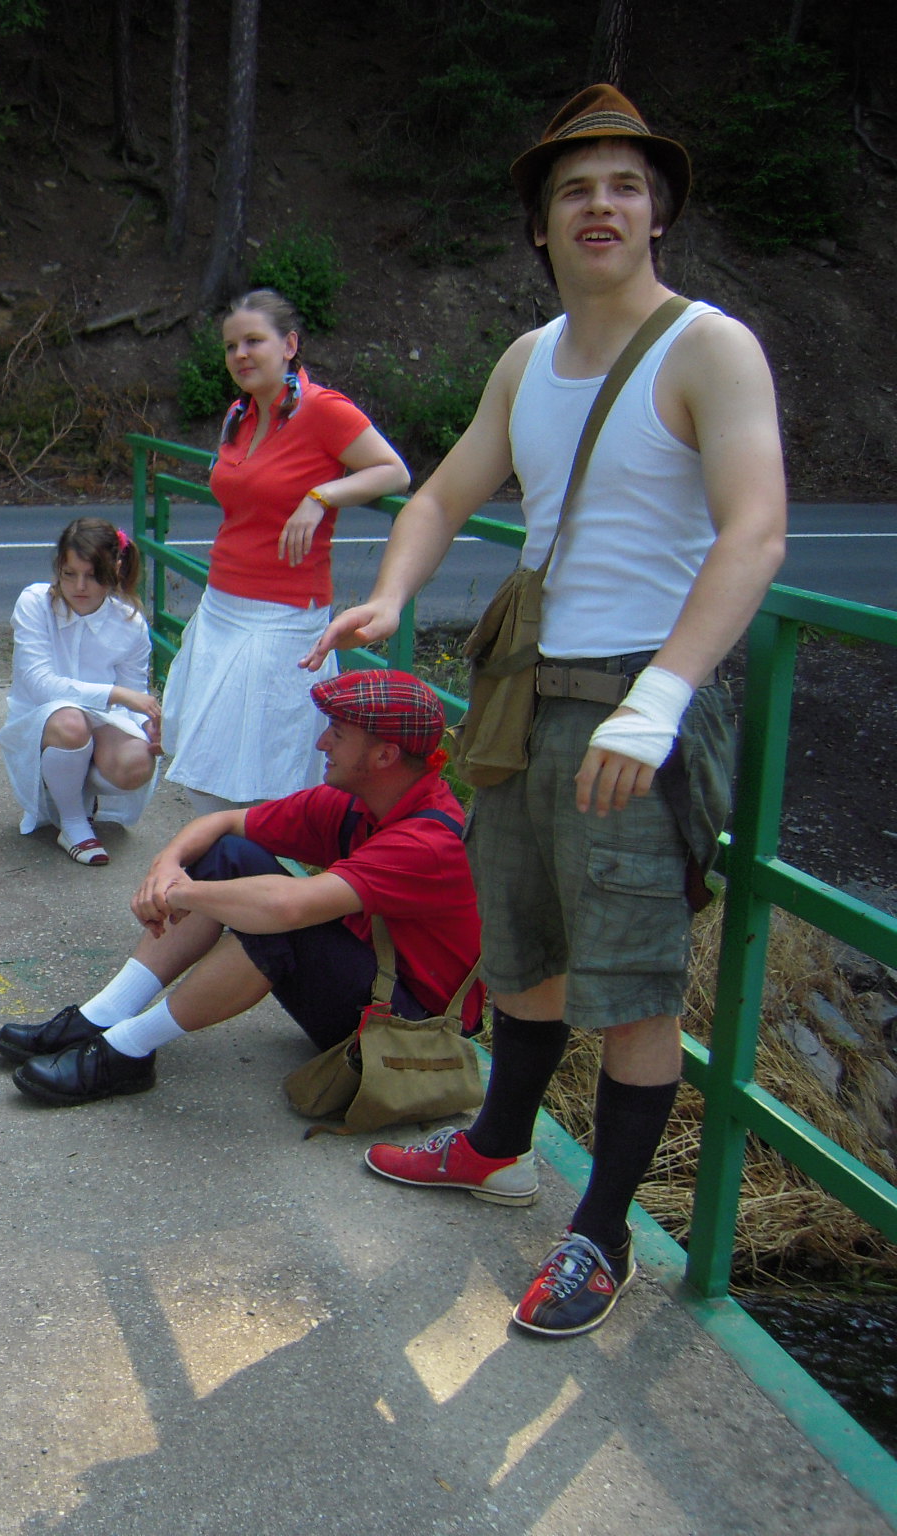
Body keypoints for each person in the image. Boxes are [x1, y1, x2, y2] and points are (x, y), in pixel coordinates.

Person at [305, 85, 787, 1338]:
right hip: (521, 703)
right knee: (519, 952)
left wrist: (661, 699)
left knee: (629, 989)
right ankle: (495, 1148)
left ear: (657, 213)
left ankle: (598, 1235)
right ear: (538, 223)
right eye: (574, 189)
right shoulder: (527, 360)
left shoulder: (707, 349)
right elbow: (437, 495)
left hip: (636, 703)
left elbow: (753, 531)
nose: (599, 205)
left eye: (624, 185)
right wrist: (389, 594)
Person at [0, 670, 480, 1107]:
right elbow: (226, 823)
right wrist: (167, 867)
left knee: (280, 924)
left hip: (407, 1032)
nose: (322, 743)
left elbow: (288, 908)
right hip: (369, 987)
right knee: (229, 855)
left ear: (385, 755)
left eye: (337, 733)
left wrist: (181, 894)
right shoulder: (362, 799)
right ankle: (103, 1014)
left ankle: (126, 1050)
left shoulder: (427, 841)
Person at [162, 289, 411, 814]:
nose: (240, 355)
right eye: (231, 346)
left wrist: (322, 496)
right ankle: (225, 864)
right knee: (208, 767)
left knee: (262, 778)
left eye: (254, 341)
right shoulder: (240, 413)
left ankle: (244, 864)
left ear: (290, 345)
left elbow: (394, 472)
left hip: (280, 619)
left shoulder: (323, 410)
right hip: (220, 609)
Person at [0, 517, 162, 866]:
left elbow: (134, 696)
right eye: (69, 574)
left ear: (115, 568)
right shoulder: (35, 603)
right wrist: (117, 694)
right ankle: (72, 822)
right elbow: (40, 684)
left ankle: (72, 784)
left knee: (137, 762)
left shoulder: (129, 622)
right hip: (41, 718)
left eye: (92, 575)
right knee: (71, 722)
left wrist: (150, 726)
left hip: (100, 720)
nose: (79, 586)